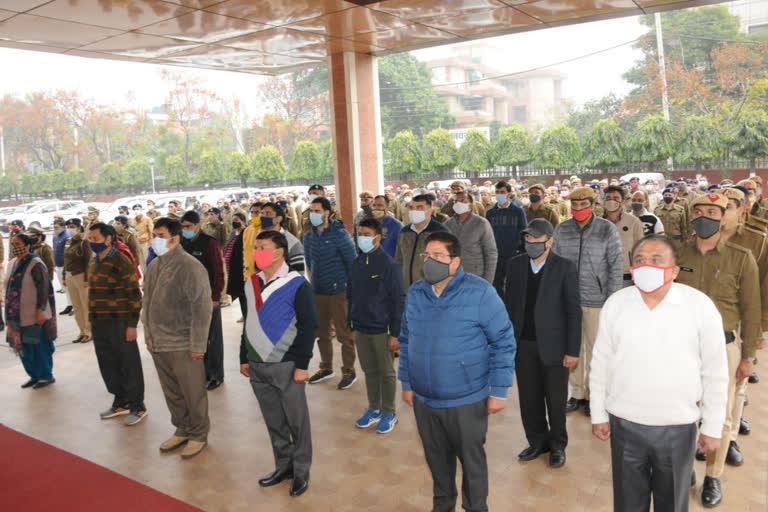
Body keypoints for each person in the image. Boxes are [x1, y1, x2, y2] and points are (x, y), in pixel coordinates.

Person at [590, 235, 729, 512]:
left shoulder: (699, 306)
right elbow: (600, 363)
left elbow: (715, 372)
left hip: (677, 425)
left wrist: (712, 426)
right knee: (628, 502)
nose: (646, 266)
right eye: (640, 260)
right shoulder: (617, 303)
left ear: (675, 270)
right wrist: (598, 414)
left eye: (656, 260)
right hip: (625, 422)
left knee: (673, 502)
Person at [399, 231, 516, 512]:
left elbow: (503, 341)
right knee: (437, 460)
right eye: (427, 255)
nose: (429, 261)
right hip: (425, 398)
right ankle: (443, 505)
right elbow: (405, 338)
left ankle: (476, 507)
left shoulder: (480, 293)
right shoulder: (416, 293)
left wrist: (499, 391)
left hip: (466, 398)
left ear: (455, 262)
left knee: (471, 461)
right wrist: (406, 381)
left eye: (438, 256)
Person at [675, 192, 761, 507]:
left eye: (713, 212)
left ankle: (713, 476)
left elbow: (751, 310)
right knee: (685, 412)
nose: (705, 218)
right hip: (682, 347)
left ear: (724, 217)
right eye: (699, 211)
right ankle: (687, 472)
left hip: (724, 349)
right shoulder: (678, 254)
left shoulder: (741, 257)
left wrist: (748, 356)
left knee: (721, 417)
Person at [240, 231, 318, 498]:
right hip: (257, 365)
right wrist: (243, 356)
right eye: (256, 247)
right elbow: (248, 321)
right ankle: (283, 466)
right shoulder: (251, 283)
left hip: (286, 364)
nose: (257, 252)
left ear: (280, 252)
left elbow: (309, 326)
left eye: (263, 247)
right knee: (274, 421)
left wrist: (302, 364)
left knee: (297, 422)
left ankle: (301, 471)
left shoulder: (297, 284)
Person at [504, 219, 580, 468]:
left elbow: (573, 311)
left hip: (555, 347)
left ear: (550, 241)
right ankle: (537, 441)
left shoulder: (564, 267)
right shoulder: (515, 265)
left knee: (555, 400)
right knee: (529, 398)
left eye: (536, 239)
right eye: (528, 239)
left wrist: (572, 350)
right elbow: (510, 305)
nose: (531, 243)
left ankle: (558, 445)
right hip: (522, 344)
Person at [143, 217, 213, 460]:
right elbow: (147, 303)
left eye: (160, 235)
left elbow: (202, 308)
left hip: (183, 343)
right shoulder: (154, 265)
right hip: (159, 342)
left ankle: (199, 433)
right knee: (172, 391)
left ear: (175, 238)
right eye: (155, 235)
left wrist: (197, 345)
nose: (156, 240)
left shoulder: (190, 266)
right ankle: (182, 428)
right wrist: (149, 336)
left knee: (193, 392)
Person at [552, 187, 623, 417]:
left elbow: (615, 265)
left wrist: (612, 299)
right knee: (573, 349)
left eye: (584, 205)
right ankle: (577, 393)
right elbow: (554, 264)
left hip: (597, 300)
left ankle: (595, 395)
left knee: (596, 349)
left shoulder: (607, 229)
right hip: (569, 300)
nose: (579, 209)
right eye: (575, 205)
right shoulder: (562, 230)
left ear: (593, 205)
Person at [347, 218, 405, 434]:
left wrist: (395, 333)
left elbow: (398, 300)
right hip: (361, 327)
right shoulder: (357, 263)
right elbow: (351, 295)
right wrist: (351, 325)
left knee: (386, 372)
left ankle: (389, 412)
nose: (361, 238)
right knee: (369, 370)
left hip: (382, 329)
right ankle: (374, 408)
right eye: (359, 234)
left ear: (378, 238)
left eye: (366, 234)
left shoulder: (389, 265)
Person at [86, 223, 146, 425]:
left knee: (128, 365)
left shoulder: (121, 260)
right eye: (91, 238)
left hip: (119, 322)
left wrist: (131, 325)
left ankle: (138, 406)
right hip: (99, 322)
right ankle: (120, 401)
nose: (92, 242)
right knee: (108, 365)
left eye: (96, 238)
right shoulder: (94, 260)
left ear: (109, 238)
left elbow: (134, 295)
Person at [303, 197, 358, 389]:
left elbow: (353, 263)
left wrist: (350, 290)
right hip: (318, 292)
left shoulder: (340, 234)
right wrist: (313, 284)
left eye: (317, 210)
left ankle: (349, 370)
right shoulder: (308, 236)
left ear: (327, 212)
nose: (314, 214)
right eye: (312, 210)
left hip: (339, 292)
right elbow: (309, 264)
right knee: (322, 333)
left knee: (344, 335)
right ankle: (326, 367)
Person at [5, 232, 57, 389]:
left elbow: (43, 288)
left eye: (19, 245)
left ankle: (45, 376)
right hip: (15, 315)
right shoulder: (12, 263)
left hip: (33, 314)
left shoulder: (35, 263)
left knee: (38, 346)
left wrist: (41, 309)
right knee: (24, 348)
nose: (16, 248)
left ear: (28, 245)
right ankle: (34, 375)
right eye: (13, 245)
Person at [180, 211, 226, 391]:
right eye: (183, 227)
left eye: (188, 227)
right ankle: (203, 373)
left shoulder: (210, 243)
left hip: (207, 298)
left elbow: (218, 272)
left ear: (198, 225)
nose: (185, 230)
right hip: (188, 298)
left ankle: (216, 375)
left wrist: (216, 297)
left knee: (212, 339)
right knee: (196, 337)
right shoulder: (182, 243)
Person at [395, 194, 448, 289]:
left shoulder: (441, 232)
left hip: (430, 290)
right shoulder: (404, 231)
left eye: (419, 207)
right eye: (411, 208)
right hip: (407, 289)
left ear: (430, 210)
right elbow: (399, 261)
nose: (414, 211)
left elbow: (448, 264)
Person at [444, 190, 498, 283]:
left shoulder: (481, 223)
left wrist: (488, 281)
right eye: (456, 201)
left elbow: (491, 253)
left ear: (471, 205)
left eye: (463, 201)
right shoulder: (447, 225)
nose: (458, 204)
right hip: (452, 277)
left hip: (476, 276)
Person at [486, 180, 527, 295]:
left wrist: (522, 252)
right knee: (496, 284)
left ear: (509, 194)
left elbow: (524, 232)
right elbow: (487, 234)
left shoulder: (518, 212)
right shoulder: (490, 213)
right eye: (497, 192)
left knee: (513, 286)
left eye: (502, 192)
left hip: (513, 254)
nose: (499, 194)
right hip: (495, 255)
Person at [602, 186, 645, 287]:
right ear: (604, 201)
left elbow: (641, 249)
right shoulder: (597, 223)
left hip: (626, 275)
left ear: (623, 202)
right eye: (608, 198)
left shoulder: (634, 222)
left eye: (616, 198)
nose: (611, 201)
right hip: (603, 275)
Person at [261, 202, 305, 273]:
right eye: (262, 214)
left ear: (279, 218)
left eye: (268, 213)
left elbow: (299, 274)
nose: (263, 217)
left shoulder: (292, 243)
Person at [371, 195, 402, 259]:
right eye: (374, 205)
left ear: (387, 207)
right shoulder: (369, 225)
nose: (376, 208)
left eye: (380, 205)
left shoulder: (397, 226)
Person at [52, 219, 72, 316]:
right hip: (58, 265)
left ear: (63, 227)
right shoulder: (55, 236)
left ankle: (72, 305)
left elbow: (67, 253)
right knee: (64, 287)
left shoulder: (66, 237)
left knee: (70, 286)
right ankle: (69, 304)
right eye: (54, 227)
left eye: (56, 227)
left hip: (65, 266)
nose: (55, 229)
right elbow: (54, 250)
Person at [131, 204, 153, 271]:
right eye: (135, 209)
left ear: (141, 209)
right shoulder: (133, 220)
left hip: (145, 242)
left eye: (138, 209)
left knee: (147, 260)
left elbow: (151, 231)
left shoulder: (147, 219)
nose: (136, 211)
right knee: (141, 262)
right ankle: (145, 277)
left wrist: (150, 243)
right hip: (137, 243)